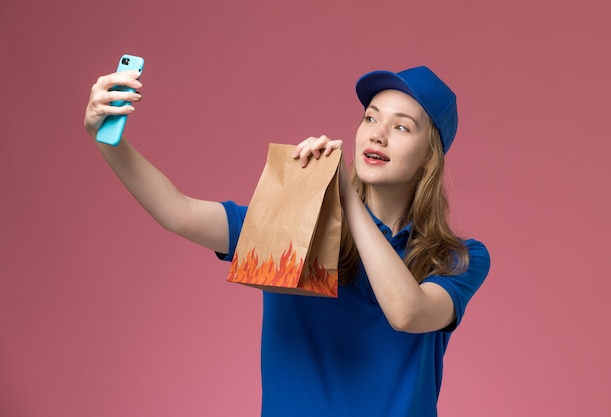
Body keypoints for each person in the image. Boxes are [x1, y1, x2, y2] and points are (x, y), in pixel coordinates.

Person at [84, 64, 490, 417]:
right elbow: (178, 213)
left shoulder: (458, 259)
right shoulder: (292, 222)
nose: (377, 135)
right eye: (370, 118)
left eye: (402, 127)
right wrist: (109, 141)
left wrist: (345, 196)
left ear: (428, 158)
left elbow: (407, 313)